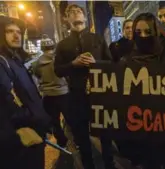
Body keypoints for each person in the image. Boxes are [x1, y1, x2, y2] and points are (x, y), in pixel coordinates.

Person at [54, 4, 116, 169]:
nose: (75, 14)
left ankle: (109, 164)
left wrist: (97, 63)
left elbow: (111, 64)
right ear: (66, 19)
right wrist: (73, 64)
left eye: (79, 11)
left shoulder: (98, 39)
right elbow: (58, 70)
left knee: (105, 133)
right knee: (81, 136)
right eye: (71, 12)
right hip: (77, 96)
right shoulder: (62, 45)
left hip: (99, 94)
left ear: (85, 17)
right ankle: (88, 165)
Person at [120, 13, 165, 169]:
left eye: (148, 32)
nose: (143, 36)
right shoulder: (127, 59)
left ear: (156, 32)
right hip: (143, 135)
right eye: (138, 32)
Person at [0, 16, 50, 169]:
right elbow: (7, 101)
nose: (16, 36)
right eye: (10, 31)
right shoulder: (3, 62)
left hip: (32, 133)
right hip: (20, 139)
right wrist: (30, 123)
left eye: (19, 32)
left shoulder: (15, 60)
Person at [32, 34, 68, 147]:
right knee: (71, 119)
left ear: (42, 48)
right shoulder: (60, 59)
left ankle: (62, 142)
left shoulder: (36, 63)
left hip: (48, 96)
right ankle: (76, 141)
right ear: (54, 46)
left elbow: (37, 76)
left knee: (55, 121)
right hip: (64, 93)